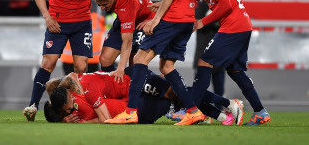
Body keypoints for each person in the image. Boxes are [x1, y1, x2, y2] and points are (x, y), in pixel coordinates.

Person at [23, 0, 140, 121]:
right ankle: (33, 105)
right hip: (57, 22)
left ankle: (80, 108)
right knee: (48, 62)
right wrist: (47, 17)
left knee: (81, 66)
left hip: (82, 21)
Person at [105, 0, 204, 126]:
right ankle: (193, 111)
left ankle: (131, 111)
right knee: (166, 67)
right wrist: (167, 5)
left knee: (140, 58)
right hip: (187, 18)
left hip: (173, 18)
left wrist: (157, 17)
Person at [191, 0, 271, 126]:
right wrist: (161, 7)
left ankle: (192, 110)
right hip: (241, 26)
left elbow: (226, 5)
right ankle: (260, 111)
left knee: (204, 62)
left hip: (234, 26)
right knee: (236, 71)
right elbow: (187, 3)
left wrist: (203, 21)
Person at [44, 68, 243, 125]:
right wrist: (65, 82)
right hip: (131, 90)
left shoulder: (88, 90)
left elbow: (105, 119)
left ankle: (229, 103)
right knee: (175, 98)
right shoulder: (72, 87)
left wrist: (82, 124)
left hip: (134, 80)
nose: (71, 110)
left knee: (176, 94)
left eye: (69, 107)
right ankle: (222, 116)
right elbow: (49, 85)